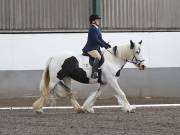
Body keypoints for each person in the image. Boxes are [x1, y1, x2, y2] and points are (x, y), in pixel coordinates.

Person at [82, 14, 111, 79]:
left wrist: (106, 44)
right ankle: (94, 73)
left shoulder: (97, 29)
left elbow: (100, 39)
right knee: (98, 57)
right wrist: (104, 46)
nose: (99, 21)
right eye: (97, 20)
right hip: (90, 49)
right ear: (93, 21)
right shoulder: (92, 29)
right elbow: (96, 40)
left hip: (96, 48)